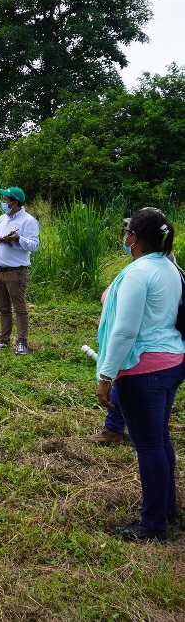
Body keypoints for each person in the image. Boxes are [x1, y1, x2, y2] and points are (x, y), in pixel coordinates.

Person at [93, 208, 185, 542]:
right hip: (171, 362)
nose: (124, 235)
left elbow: (125, 331)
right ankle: (168, 512)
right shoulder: (169, 267)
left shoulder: (138, 273)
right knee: (159, 439)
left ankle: (153, 526)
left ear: (133, 238)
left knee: (148, 446)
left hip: (143, 369)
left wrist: (106, 374)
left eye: (127, 230)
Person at [0, 187, 40, 354]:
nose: (3, 202)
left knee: (19, 309)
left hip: (16, 272)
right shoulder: (2, 219)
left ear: (14, 202)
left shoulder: (28, 221)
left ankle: (22, 343)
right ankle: (3, 341)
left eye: (5, 199)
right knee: (3, 308)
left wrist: (17, 238)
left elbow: (34, 245)